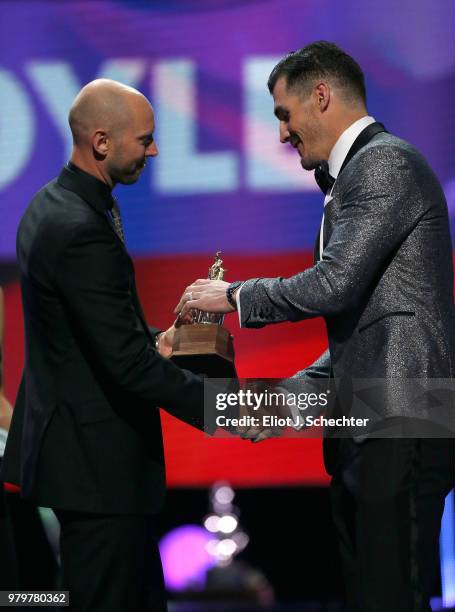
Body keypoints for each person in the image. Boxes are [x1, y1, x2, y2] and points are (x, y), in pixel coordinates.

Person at [175, 42, 455, 611]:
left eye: (284, 115)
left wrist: (231, 294)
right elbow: (361, 340)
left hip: (400, 424)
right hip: (374, 426)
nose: (282, 135)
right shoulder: (354, 179)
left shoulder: (384, 163)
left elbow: (335, 285)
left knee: (390, 597)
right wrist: (270, 409)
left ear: (321, 97)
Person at [1, 79, 215, 612]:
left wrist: (154, 340)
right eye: (145, 140)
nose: (155, 150)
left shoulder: (51, 204)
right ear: (101, 142)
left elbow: (88, 331)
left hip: (91, 469)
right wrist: (226, 410)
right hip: (99, 474)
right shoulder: (78, 227)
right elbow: (126, 365)